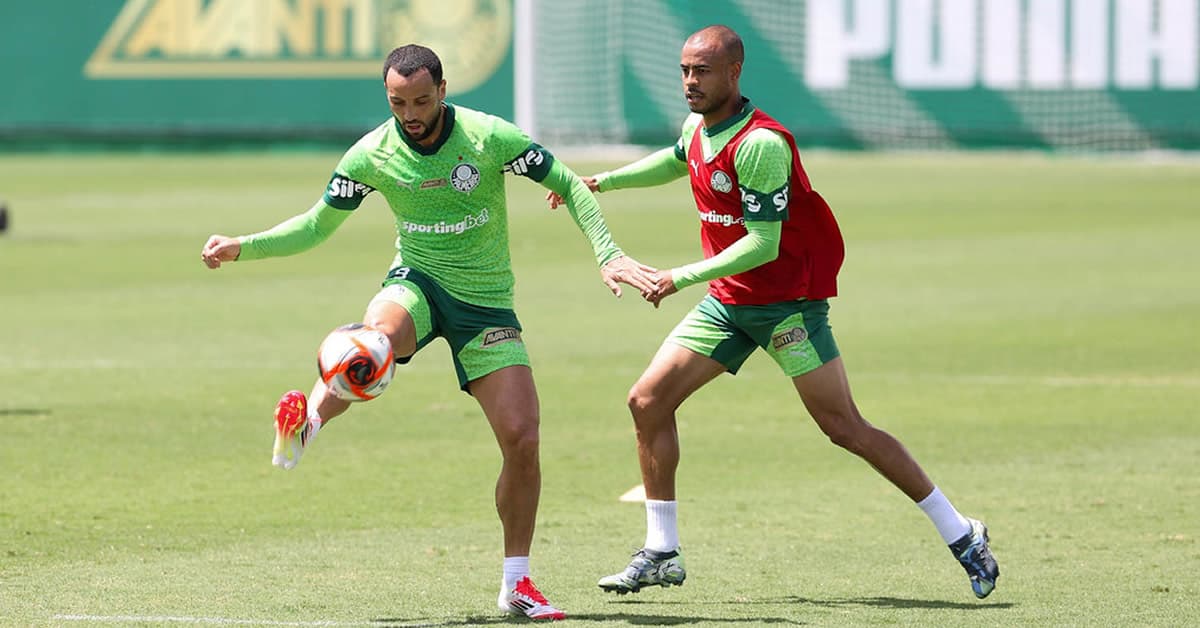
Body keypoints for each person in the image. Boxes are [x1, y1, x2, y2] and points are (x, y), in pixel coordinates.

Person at [201, 44, 656, 621]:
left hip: (486, 304)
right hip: (415, 282)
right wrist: (245, 246)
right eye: (397, 102)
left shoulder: (490, 138)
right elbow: (317, 225)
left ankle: (516, 584)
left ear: (443, 90)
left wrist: (607, 253)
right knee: (373, 341)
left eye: (420, 100)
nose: (410, 112)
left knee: (523, 438)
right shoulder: (372, 153)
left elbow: (567, 183)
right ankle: (308, 425)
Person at [547, 25, 1000, 599]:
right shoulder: (698, 126)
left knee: (845, 428)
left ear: (734, 73)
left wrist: (675, 276)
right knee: (647, 401)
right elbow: (678, 159)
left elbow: (764, 243)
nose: (690, 81)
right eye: (685, 70)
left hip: (786, 308)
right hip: (729, 304)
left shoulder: (762, 144)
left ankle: (962, 533)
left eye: (702, 71)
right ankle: (661, 551)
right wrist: (601, 182)